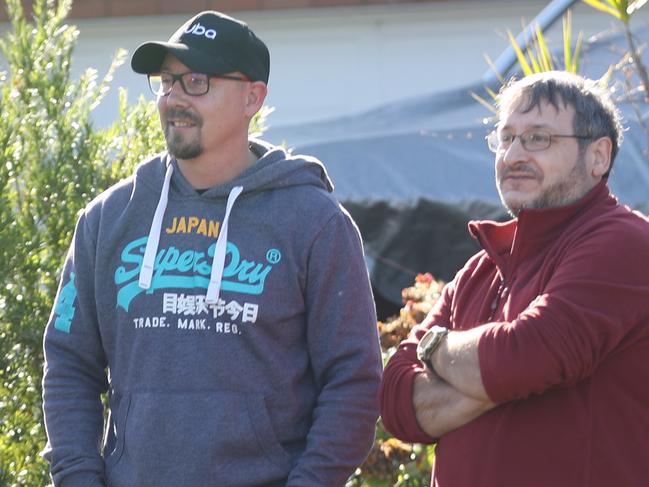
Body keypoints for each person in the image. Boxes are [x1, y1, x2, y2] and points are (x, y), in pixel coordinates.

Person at [42, 11, 382, 487]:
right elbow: (69, 365)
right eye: (167, 82)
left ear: (253, 97)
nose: (173, 99)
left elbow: (354, 381)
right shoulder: (109, 218)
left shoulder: (315, 224)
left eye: (196, 82)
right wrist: (78, 477)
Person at [380, 71, 649, 486]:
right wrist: (497, 376)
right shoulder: (480, 269)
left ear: (599, 156)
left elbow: (529, 352)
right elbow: (397, 400)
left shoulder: (626, 242)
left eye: (538, 138)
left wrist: (435, 347)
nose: (513, 155)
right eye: (506, 139)